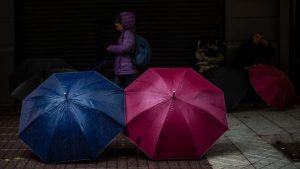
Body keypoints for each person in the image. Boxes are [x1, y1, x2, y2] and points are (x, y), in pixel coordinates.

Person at [106, 11, 137, 88]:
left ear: (124, 23)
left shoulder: (127, 34)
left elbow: (126, 47)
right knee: (119, 90)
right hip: (122, 69)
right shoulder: (124, 33)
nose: (117, 28)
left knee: (126, 90)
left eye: (118, 26)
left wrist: (112, 48)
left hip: (127, 70)